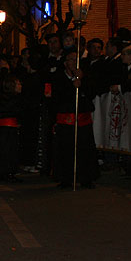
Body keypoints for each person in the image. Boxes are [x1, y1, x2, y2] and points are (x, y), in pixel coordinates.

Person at [52, 51, 99, 189]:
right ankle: (65, 179)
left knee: (85, 150)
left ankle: (86, 178)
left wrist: (81, 81)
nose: (74, 62)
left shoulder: (85, 76)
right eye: (71, 59)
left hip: (83, 120)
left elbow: (91, 93)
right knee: (66, 150)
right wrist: (72, 87)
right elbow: (57, 98)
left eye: (76, 59)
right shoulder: (58, 78)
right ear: (66, 63)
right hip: (66, 120)